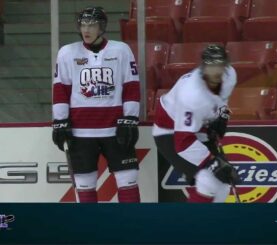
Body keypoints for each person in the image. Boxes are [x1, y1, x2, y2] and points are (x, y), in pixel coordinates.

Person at [52, 6, 141, 203]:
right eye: (83, 24)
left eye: (91, 25)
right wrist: (60, 122)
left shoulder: (121, 50)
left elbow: (132, 86)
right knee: (85, 185)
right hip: (81, 132)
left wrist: (130, 119)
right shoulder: (67, 53)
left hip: (115, 129)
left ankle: (134, 228)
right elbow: (60, 90)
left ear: (102, 27)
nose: (86, 29)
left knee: (128, 180)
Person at [153, 44, 239, 203]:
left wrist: (221, 115)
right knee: (209, 181)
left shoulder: (230, 75)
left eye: (220, 65)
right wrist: (213, 162)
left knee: (223, 185)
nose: (216, 71)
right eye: (211, 66)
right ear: (203, 66)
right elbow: (183, 142)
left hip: (198, 128)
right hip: (170, 132)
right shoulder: (192, 95)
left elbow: (222, 98)